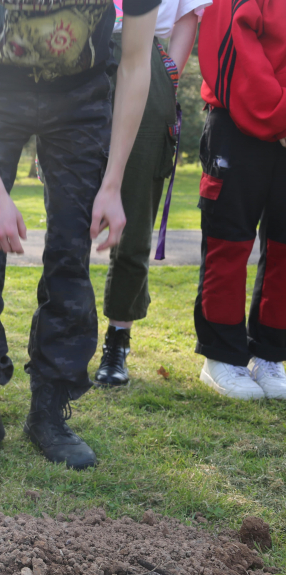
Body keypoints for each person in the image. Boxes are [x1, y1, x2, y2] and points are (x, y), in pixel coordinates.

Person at [0, 0, 161, 473]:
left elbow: (137, 65)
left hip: (80, 98)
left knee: (71, 250)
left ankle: (48, 412)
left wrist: (113, 183)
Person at [95, 0, 209, 387]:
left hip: (148, 59)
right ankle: (62, 331)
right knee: (68, 202)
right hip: (83, 53)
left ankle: (117, 339)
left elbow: (188, 16)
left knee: (136, 212)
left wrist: (169, 71)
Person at [192, 0, 286, 401]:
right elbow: (230, 37)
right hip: (239, 119)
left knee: (284, 245)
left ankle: (269, 353)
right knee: (228, 242)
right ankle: (222, 356)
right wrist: (280, 118)